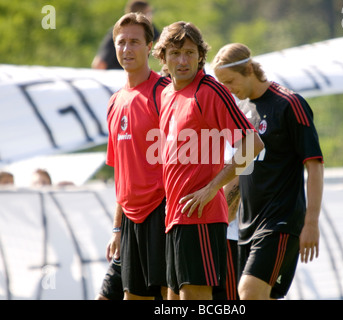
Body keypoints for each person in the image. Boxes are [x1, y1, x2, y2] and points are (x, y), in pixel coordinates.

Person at [152, 22, 264, 300]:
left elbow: (253, 143)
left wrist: (212, 188)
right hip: (173, 218)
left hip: (201, 219)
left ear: (201, 56)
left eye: (190, 52)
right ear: (163, 57)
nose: (183, 60)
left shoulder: (210, 91)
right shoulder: (166, 94)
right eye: (175, 53)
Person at [212, 43, 324, 300]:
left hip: (280, 222)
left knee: (248, 293)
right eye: (222, 84)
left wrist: (311, 223)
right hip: (247, 226)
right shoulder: (242, 110)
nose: (228, 90)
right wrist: (222, 215)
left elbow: (315, 165)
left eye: (230, 81)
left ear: (249, 69)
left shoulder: (289, 104)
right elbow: (241, 170)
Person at [100, 12, 170, 301]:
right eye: (121, 42)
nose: (126, 49)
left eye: (134, 42)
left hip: (163, 213)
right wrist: (117, 228)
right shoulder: (115, 101)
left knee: (170, 298)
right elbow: (121, 173)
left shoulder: (165, 92)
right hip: (130, 220)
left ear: (150, 47)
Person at [92, 0, 160, 70]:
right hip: (118, 75)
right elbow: (99, 64)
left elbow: (163, 44)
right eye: (149, 13)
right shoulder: (119, 32)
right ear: (141, 15)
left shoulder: (149, 28)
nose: (152, 16)